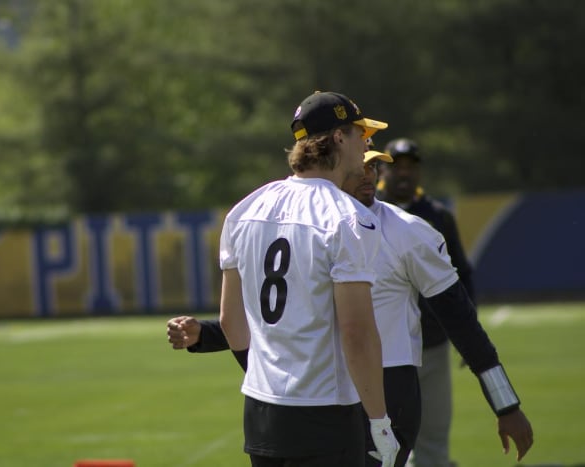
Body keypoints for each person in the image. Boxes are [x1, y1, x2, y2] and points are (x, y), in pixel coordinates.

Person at [168, 145, 534, 466]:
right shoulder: (315, 228)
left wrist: (506, 404)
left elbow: (461, 321)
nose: (366, 173)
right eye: (361, 164)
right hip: (325, 394)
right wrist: (206, 334)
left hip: (388, 388)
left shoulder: (410, 232)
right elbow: (284, 317)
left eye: (374, 166)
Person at [216, 90, 399, 467]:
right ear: (337, 138)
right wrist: (380, 422)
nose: (366, 143)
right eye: (359, 133)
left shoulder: (245, 209)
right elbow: (357, 333)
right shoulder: (349, 218)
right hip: (324, 414)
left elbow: (231, 323)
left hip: (261, 412)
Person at [377, 138, 475, 467]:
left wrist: (466, 335)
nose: (403, 173)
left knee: (433, 436)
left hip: (432, 344)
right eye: (396, 166)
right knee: (381, 441)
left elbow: (461, 275)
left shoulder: (437, 216)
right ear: (383, 170)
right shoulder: (362, 208)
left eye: (410, 166)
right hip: (384, 349)